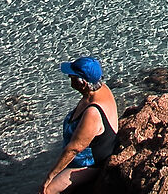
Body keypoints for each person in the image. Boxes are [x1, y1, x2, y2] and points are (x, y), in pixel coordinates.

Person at [42, 55, 118, 193]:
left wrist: (50, 176)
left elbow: (74, 149)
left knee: (47, 190)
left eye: (71, 76)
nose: (69, 77)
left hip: (90, 165)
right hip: (84, 156)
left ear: (82, 83)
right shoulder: (101, 89)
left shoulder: (93, 113)